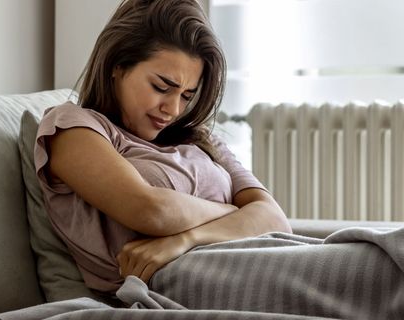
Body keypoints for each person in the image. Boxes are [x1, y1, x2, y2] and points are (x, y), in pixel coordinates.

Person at [34, 0, 291, 294]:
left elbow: (275, 220)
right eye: (161, 87)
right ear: (118, 65)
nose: (173, 109)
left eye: (186, 95)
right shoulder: (72, 126)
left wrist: (185, 239)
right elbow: (151, 211)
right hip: (200, 283)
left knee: (354, 253)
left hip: (258, 263)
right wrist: (235, 212)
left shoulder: (200, 139)